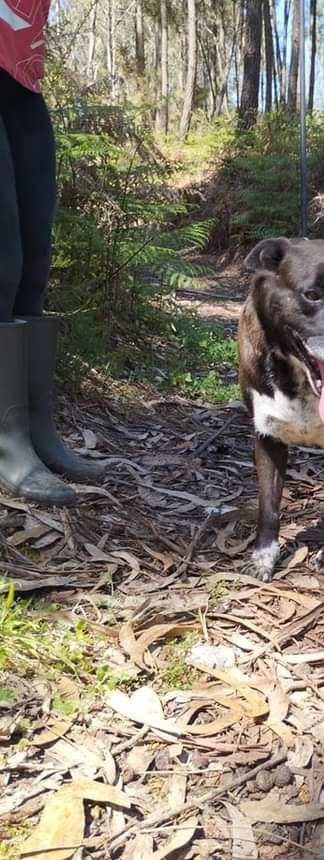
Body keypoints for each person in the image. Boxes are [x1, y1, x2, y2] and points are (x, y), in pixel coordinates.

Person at [0, 0, 102, 505]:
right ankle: (7, 442)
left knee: (34, 259)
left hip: (19, 72)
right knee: (3, 258)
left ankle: (36, 427)